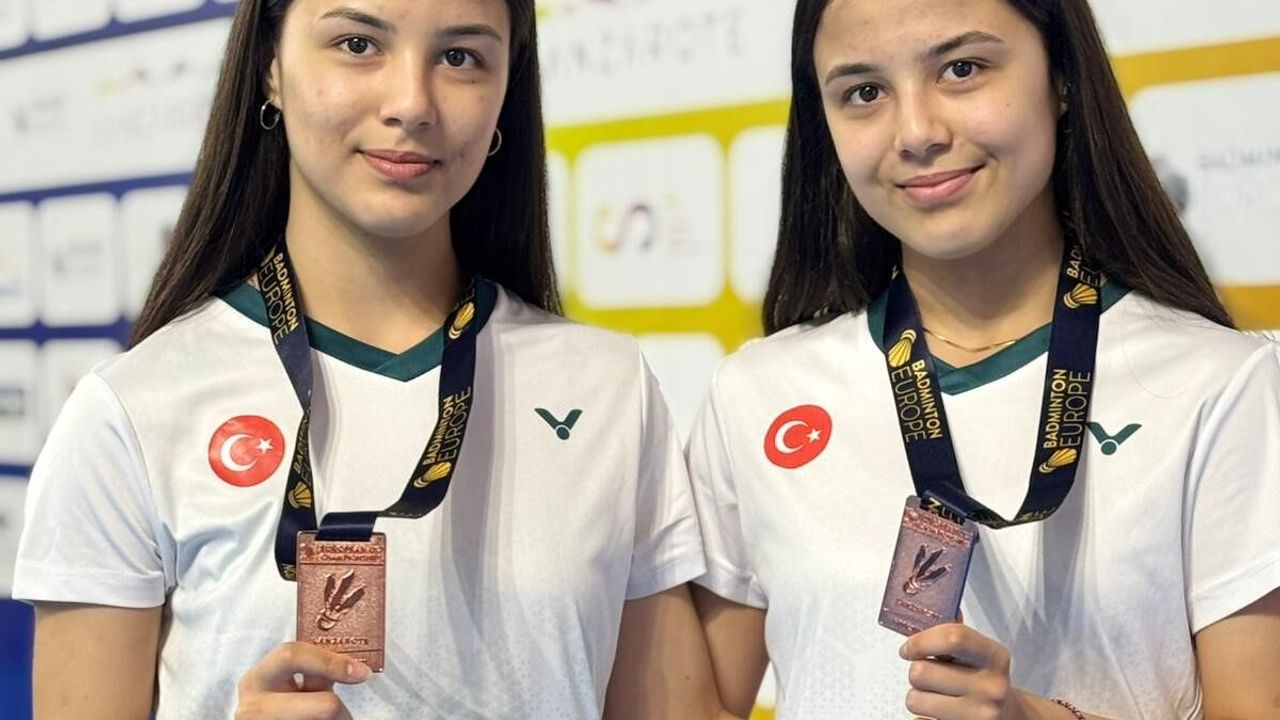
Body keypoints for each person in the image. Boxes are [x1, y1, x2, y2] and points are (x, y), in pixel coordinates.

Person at [12, 1, 729, 718]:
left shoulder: (607, 385)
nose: (411, 103)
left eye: (460, 57)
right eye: (358, 44)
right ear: (270, 66)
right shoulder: (135, 409)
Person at [686, 0, 1280, 718]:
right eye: (864, 92)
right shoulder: (756, 392)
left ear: (1061, 77)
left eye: (962, 69)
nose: (917, 132)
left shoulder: (1220, 384)